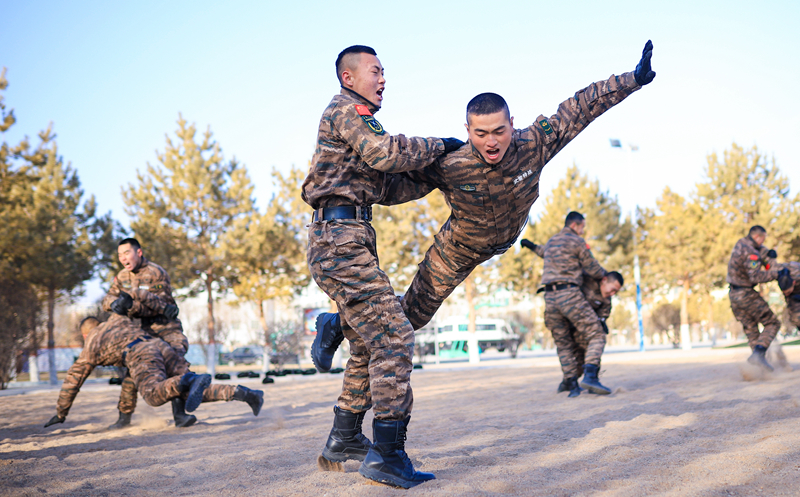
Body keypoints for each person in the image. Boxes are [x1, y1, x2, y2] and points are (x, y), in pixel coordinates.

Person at [313, 40, 656, 388]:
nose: (491, 142)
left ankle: (337, 327)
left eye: (499, 132)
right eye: (480, 134)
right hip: (456, 250)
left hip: (501, 241)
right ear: (467, 131)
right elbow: (392, 184)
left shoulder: (534, 144)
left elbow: (580, 108)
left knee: (400, 322)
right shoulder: (452, 163)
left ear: (512, 124)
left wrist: (632, 79)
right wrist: (345, 195)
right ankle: (335, 326)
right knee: (410, 317)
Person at [302, 45, 464, 488]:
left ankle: (345, 438)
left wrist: (438, 172)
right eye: (375, 71)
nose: (383, 79)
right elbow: (388, 154)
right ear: (349, 77)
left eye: (384, 71)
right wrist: (441, 145)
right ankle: (388, 455)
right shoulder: (346, 110)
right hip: (339, 242)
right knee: (394, 334)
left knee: (370, 341)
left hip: (348, 238)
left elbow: (387, 186)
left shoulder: (354, 123)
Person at [44, 315, 263, 429]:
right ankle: (246, 394)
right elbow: (129, 382)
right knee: (187, 394)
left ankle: (186, 380)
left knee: (152, 394)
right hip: (161, 346)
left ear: (85, 334)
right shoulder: (119, 321)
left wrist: (61, 412)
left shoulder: (93, 340)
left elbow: (74, 379)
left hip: (141, 353)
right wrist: (124, 418)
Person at [101, 237, 191, 429]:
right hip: (142, 332)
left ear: (138, 252)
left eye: (127, 253)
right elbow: (108, 298)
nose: (123, 258)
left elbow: (160, 307)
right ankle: (123, 418)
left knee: (174, 364)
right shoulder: (122, 277)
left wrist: (130, 307)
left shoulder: (156, 273)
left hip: (166, 329)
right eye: (119, 255)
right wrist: (114, 304)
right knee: (131, 371)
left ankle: (180, 415)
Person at [521, 236, 622, 396]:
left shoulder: (607, 302)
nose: (612, 293)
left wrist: (601, 322)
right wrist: (533, 247)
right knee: (567, 345)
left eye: (616, 292)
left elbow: (603, 317)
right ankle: (578, 380)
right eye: (612, 288)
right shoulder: (586, 278)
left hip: (581, 331)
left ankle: (570, 381)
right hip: (564, 316)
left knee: (581, 359)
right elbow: (557, 258)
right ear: (604, 280)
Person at [726, 226, 782, 371]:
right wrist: (775, 273)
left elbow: (760, 250)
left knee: (751, 329)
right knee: (772, 323)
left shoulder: (741, 243)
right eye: (763, 238)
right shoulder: (751, 253)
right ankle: (758, 354)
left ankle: (758, 370)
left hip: (733, 295)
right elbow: (755, 276)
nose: (764, 241)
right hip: (746, 294)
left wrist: (767, 254)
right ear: (758, 237)